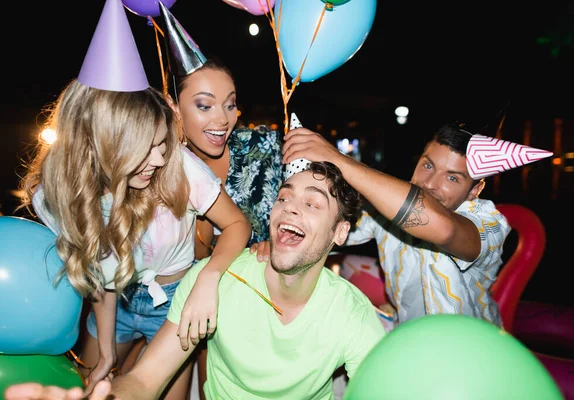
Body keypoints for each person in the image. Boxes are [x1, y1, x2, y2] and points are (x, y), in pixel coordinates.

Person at [17, 0, 250, 397]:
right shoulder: (56, 198)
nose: (162, 157)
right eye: (150, 147)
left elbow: (237, 223)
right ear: (106, 145)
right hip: (116, 299)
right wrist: (106, 349)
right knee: (92, 382)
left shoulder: (176, 167)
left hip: (176, 298)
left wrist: (208, 278)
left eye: (164, 144)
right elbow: (102, 272)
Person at [5, 161, 386, 400]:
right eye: (284, 198)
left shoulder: (351, 314)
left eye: (312, 203)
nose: (290, 208)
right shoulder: (213, 282)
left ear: (340, 233)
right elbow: (144, 380)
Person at [118, 5, 284, 397]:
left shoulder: (263, 150)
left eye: (230, 103)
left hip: (241, 305)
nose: (223, 119)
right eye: (205, 105)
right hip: (161, 304)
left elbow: (306, 216)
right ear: (174, 107)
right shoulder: (151, 163)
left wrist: (271, 246)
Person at [279, 121, 552, 328]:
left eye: (453, 178)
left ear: (475, 190)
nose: (431, 183)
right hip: (406, 337)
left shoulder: (489, 222)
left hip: (468, 354)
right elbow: (326, 231)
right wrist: (279, 241)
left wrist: (337, 159)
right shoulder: (387, 208)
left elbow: (443, 228)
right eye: (428, 165)